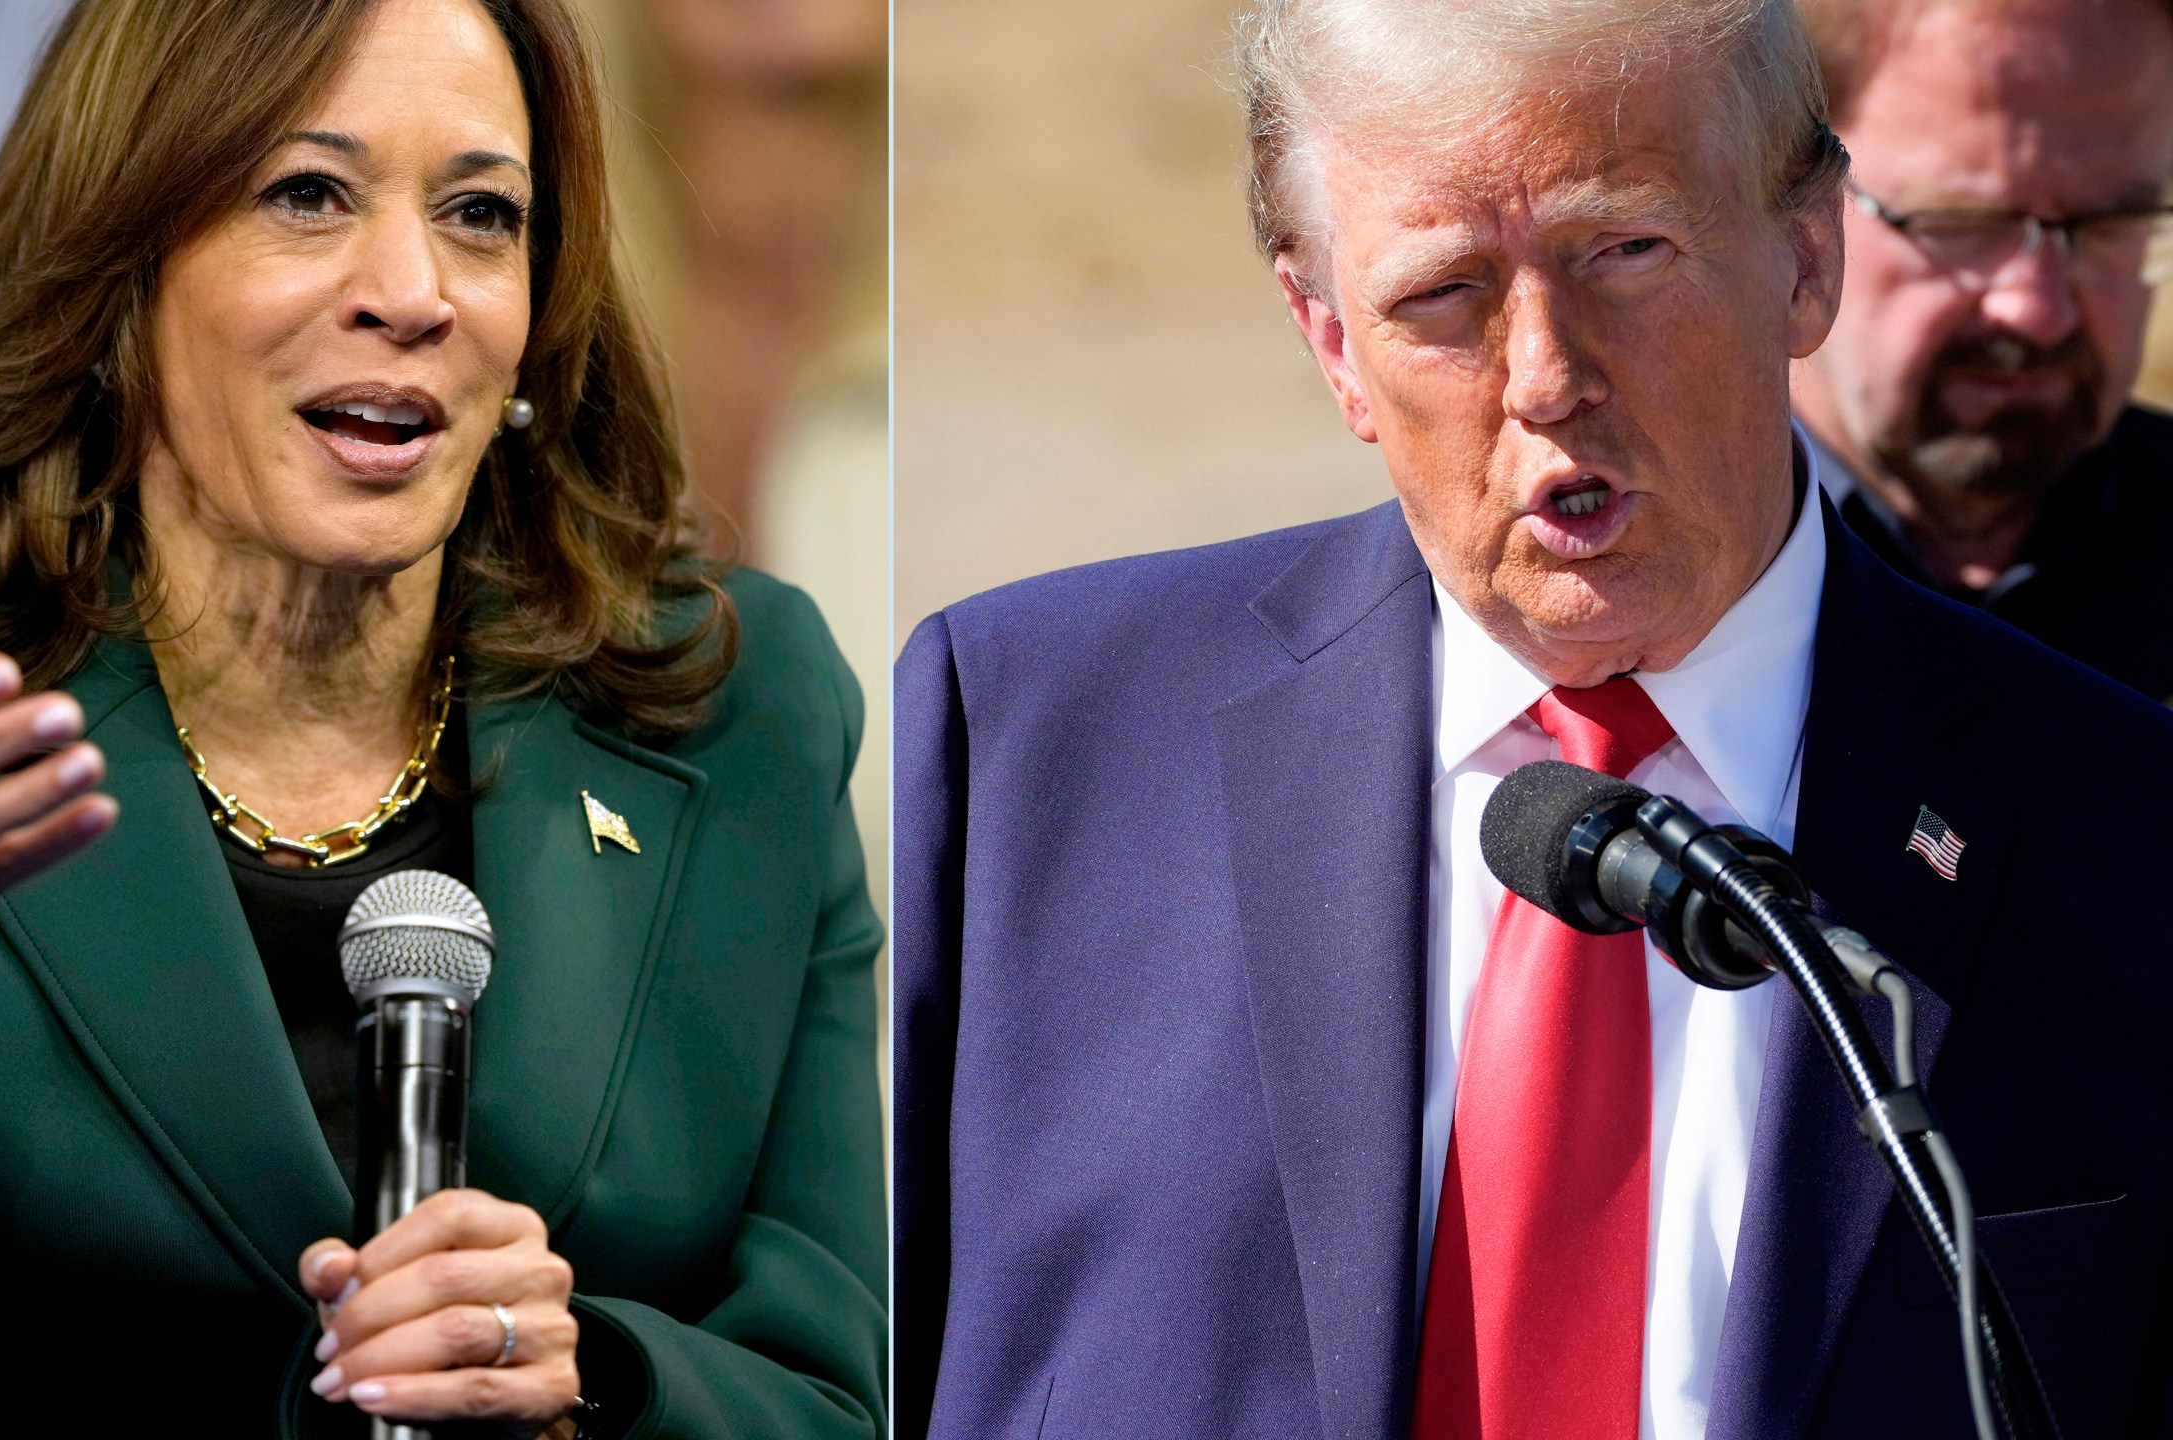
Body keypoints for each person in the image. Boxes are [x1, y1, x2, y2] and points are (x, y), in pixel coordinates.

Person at [895, 1, 2173, 1437]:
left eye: (1624, 253)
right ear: (1328, 340)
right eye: (1440, 293)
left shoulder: (2131, 835)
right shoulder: (1022, 747)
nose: (1548, 375)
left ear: (1806, 257)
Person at [0, 0, 885, 1434]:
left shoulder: (737, 706)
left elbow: (849, 1389)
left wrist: (596, 1380)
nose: (414, 289)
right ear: (126, 260)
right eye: (308, 195)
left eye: (480, 213)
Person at [1790, 0, 2173, 700]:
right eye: (1965, 224)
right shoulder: (1633, 578)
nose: (2038, 309)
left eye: (2113, 223)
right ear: (1793, 203)